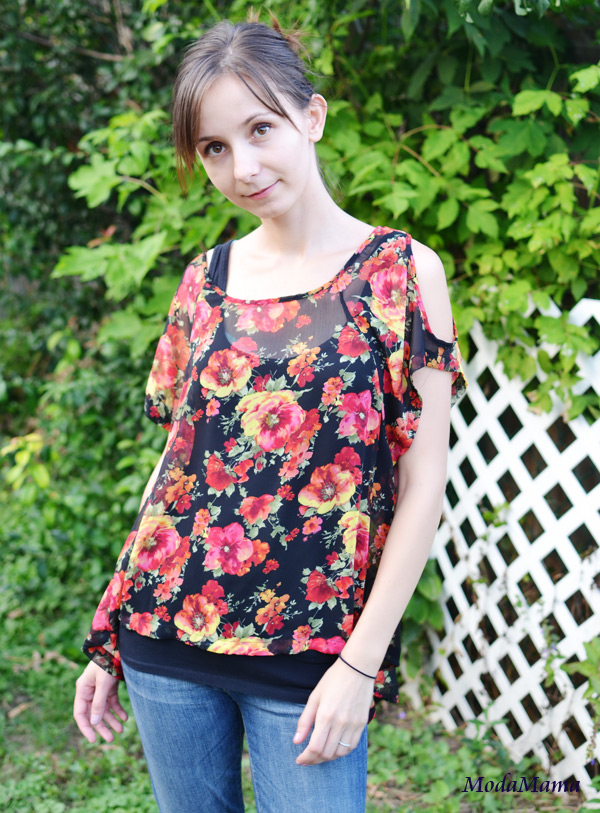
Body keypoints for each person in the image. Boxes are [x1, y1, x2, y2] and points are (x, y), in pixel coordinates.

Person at [73, 15, 466, 813]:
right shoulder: (205, 280)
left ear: (311, 116)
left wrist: (360, 663)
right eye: (215, 147)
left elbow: (423, 482)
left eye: (260, 129)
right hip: (166, 638)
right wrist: (112, 628)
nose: (242, 167)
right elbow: (175, 468)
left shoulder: (399, 271)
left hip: (312, 657)